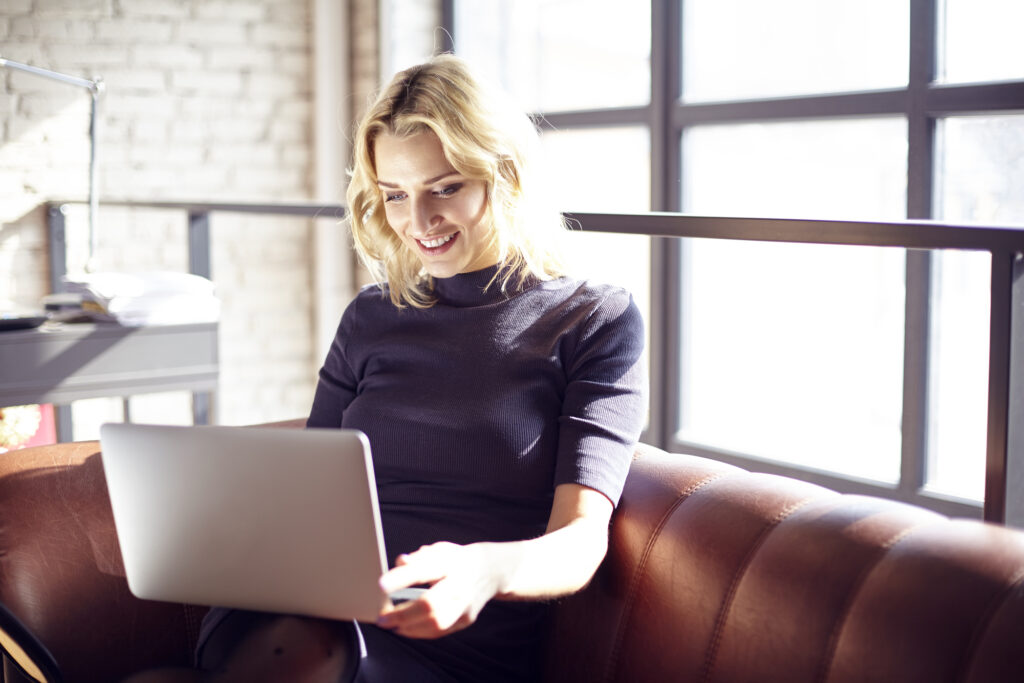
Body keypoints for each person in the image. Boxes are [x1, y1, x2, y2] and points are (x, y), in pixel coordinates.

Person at [130, 53, 646, 683]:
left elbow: (581, 541)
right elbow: (306, 491)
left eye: (445, 187)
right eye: (395, 195)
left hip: (448, 634)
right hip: (303, 614)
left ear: (504, 173)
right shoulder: (373, 315)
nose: (418, 223)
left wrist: (486, 570)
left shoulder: (594, 319)